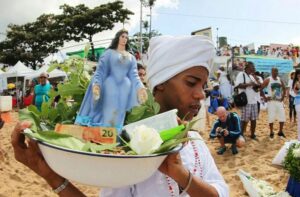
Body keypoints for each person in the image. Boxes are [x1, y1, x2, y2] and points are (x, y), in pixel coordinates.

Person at [11, 35, 229, 197]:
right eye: (191, 83)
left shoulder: (196, 143)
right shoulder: (128, 145)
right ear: (160, 84)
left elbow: (219, 192)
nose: (201, 94)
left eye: (203, 85)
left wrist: (181, 175)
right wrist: (50, 175)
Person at [75, 29, 147, 129]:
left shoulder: (131, 57)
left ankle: (115, 135)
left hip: (124, 88)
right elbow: (100, 71)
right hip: (110, 85)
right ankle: (103, 132)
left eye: (126, 37)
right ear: (117, 38)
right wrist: (97, 85)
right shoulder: (108, 53)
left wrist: (140, 88)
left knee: (120, 113)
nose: (124, 39)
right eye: (122, 36)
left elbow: (134, 75)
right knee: (108, 111)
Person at [235, 61, 261, 139]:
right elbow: (238, 85)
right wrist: (250, 84)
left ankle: (252, 134)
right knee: (244, 119)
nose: (254, 68)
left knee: (254, 119)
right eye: (252, 66)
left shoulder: (252, 76)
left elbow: (256, 90)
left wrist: (256, 85)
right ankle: (241, 135)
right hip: (246, 101)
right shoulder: (241, 74)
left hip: (253, 100)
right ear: (248, 67)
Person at [261, 67, 286, 138]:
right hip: (271, 102)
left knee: (282, 116)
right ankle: (271, 132)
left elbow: (284, 88)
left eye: (277, 71)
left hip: (279, 101)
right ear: (271, 72)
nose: (276, 73)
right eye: (274, 71)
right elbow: (261, 89)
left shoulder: (279, 79)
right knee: (271, 117)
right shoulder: (268, 80)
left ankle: (280, 131)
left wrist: (283, 97)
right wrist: (265, 97)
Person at [292, 69, 300, 141]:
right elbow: (295, 92)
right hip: (298, 102)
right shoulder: (296, 83)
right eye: (298, 74)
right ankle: (299, 138)